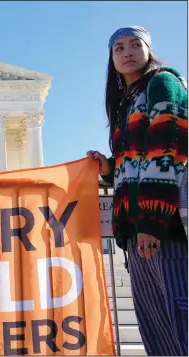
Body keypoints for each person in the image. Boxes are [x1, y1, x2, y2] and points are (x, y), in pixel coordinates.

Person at [87, 26, 188, 355]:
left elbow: (166, 152)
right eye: (118, 47)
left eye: (135, 44)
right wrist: (110, 168)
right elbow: (135, 162)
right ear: (111, 59)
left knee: (179, 320)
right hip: (135, 230)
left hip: (166, 228)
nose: (127, 51)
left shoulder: (163, 83)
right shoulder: (125, 105)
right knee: (156, 330)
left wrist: (151, 223)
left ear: (149, 50)